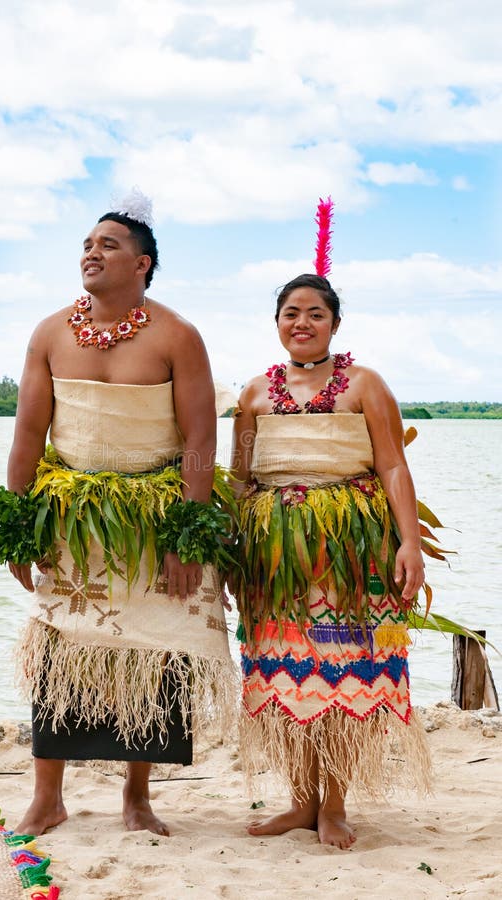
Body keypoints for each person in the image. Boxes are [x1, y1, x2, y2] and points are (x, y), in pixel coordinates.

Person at [0, 190, 236, 837]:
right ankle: (47, 798)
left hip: (155, 518)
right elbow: (27, 437)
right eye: (86, 244)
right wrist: (18, 529)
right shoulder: (50, 333)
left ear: (143, 265)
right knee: (61, 654)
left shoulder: (177, 336)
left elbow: (199, 442)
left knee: (154, 658)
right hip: (73, 519)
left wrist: (187, 536)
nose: (92, 253)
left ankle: (137, 797)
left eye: (108, 245)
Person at [230, 268, 434, 850]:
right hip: (276, 557)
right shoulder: (252, 394)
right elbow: (240, 479)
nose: (302, 323)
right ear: (276, 324)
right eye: (291, 313)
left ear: (335, 324)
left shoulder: (364, 383)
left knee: (342, 669)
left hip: (349, 551)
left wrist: (409, 542)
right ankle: (299, 801)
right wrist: (231, 553)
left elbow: (393, 465)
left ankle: (334, 805)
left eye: (315, 313)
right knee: (283, 669)